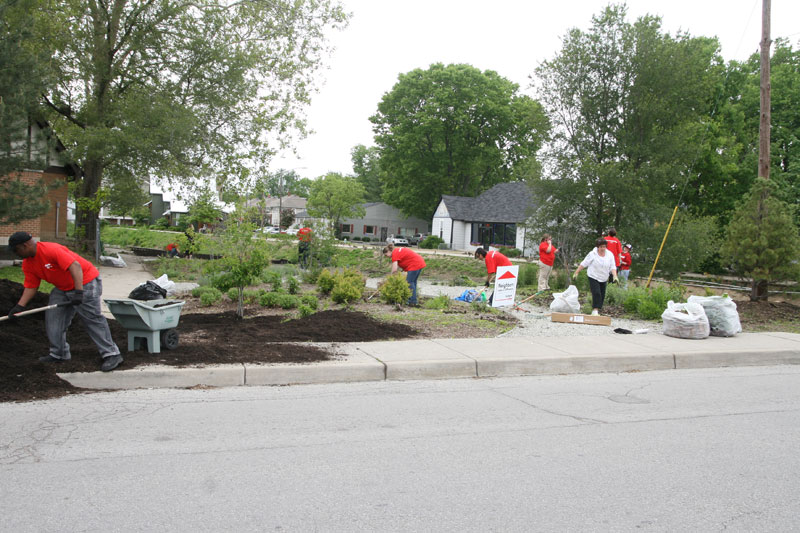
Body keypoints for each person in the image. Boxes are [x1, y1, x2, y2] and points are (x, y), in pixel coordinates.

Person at [6, 231, 123, 371]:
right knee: (54, 319)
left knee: (92, 318)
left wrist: (79, 292)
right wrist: (19, 306)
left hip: (85, 282)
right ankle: (59, 354)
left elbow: (75, 266)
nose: (15, 253)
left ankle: (112, 354)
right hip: (62, 287)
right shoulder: (28, 264)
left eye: (16, 250)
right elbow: (31, 286)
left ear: (25, 245)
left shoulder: (51, 250)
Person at [572, 237, 618, 316]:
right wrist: (576, 272)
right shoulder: (592, 254)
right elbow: (584, 263)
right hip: (593, 276)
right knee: (596, 293)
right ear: (598, 247)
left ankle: (597, 309)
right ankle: (595, 310)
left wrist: (615, 276)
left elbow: (613, 266)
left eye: (604, 246)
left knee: (602, 295)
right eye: (601, 247)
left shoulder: (610, 255)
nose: (603, 248)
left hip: (603, 277)